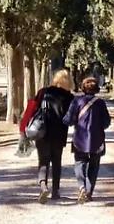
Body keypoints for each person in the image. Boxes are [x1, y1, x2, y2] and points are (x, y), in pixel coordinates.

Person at [20, 70, 74, 203]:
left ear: (55, 79)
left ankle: (43, 186)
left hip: (42, 131)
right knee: (57, 162)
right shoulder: (69, 97)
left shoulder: (43, 92)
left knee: (43, 161)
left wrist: (23, 127)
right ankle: (55, 191)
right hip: (59, 133)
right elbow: (72, 117)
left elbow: (31, 108)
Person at [64, 76, 112, 204]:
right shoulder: (100, 103)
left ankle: (82, 187)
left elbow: (69, 120)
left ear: (83, 88)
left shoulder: (77, 101)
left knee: (80, 163)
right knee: (94, 166)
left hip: (80, 139)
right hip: (97, 140)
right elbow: (107, 122)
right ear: (96, 88)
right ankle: (89, 192)